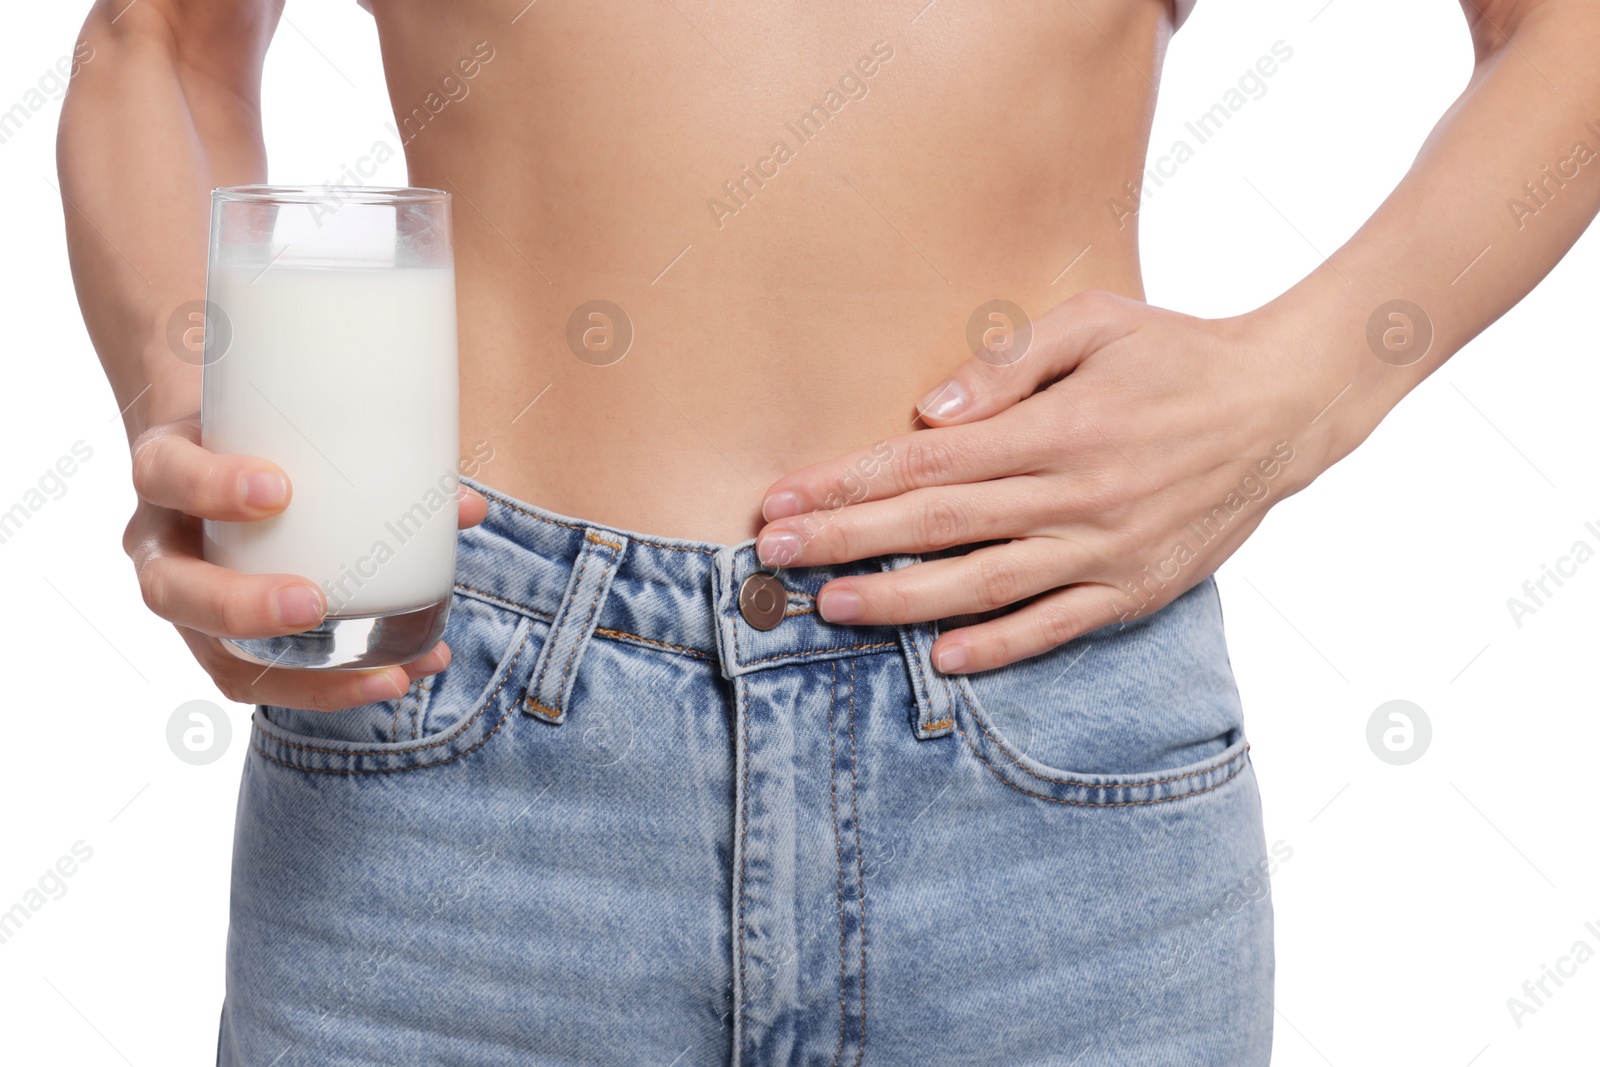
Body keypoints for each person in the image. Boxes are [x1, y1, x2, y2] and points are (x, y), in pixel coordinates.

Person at [56, 0, 1600, 1063]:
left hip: (1043, 730)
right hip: (455, 742)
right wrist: (198, 404)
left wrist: (1302, 384)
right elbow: (159, 42)